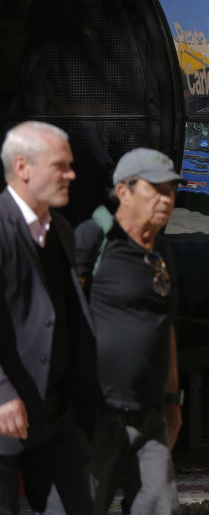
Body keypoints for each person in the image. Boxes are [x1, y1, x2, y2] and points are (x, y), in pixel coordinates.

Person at [76, 148, 182, 515]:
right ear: (124, 191)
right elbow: (59, 315)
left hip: (149, 414)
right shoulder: (94, 238)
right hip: (98, 412)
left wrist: (172, 401)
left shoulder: (163, 251)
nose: (166, 200)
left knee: (160, 509)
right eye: (156, 190)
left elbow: (165, 328)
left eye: (171, 191)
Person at [0, 121, 96, 515]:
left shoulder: (61, 231)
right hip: (6, 413)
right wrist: (3, 392)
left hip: (57, 413)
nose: (72, 174)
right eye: (61, 166)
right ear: (23, 168)